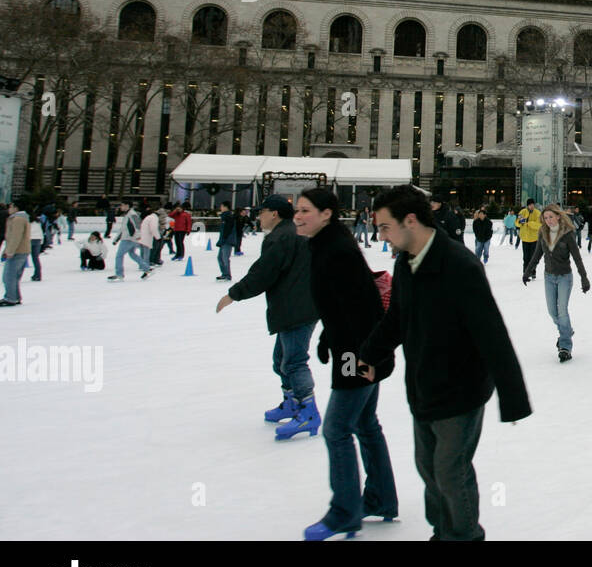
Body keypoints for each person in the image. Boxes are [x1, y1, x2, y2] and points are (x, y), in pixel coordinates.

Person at [360, 184, 531, 541]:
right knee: (429, 471)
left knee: (451, 473)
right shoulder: (406, 261)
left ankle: (464, 536)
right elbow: (396, 318)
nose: (382, 236)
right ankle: (443, 531)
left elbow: (492, 335)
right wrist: (370, 354)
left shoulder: (459, 265)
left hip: (461, 391)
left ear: (410, 220)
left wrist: (513, 398)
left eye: (385, 227)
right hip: (423, 387)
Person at [290, 187, 400, 540]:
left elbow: (362, 305)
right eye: (297, 210)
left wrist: (362, 358)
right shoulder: (329, 244)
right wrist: (327, 336)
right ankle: (381, 499)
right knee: (366, 423)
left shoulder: (335, 250)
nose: (298, 215)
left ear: (326, 214)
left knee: (337, 429)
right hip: (358, 347)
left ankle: (345, 512)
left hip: (358, 353)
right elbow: (345, 302)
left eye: (306, 210)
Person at [215, 193, 320, 434]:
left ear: (274, 213)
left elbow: (263, 273)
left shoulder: (282, 237)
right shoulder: (293, 232)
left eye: (261, 212)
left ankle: (308, 411)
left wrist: (234, 294)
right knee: (281, 361)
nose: (258, 217)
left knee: (293, 362)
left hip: (296, 307)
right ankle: (293, 403)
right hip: (299, 304)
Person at [523, 204, 590, 361]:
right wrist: (527, 272)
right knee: (552, 312)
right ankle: (567, 331)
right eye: (546, 218)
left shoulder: (567, 234)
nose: (549, 220)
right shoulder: (542, 232)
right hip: (549, 277)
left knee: (562, 311)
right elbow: (537, 254)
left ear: (559, 216)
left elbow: (577, 257)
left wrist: (584, 277)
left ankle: (565, 346)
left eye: (551, 217)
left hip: (564, 277)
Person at [107, 201, 151, 281]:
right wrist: (116, 239)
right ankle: (147, 269)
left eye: (122, 205)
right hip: (129, 238)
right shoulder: (127, 214)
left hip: (129, 238)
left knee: (119, 255)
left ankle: (119, 274)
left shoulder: (132, 214)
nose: (121, 207)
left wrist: (138, 236)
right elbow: (123, 229)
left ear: (127, 206)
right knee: (132, 254)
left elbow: (138, 225)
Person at [2, 203, 31, 305]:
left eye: (10, 207)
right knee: (13, 276)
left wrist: (10, 251)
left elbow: (15, 237)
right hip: (21, 250)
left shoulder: (17, 219)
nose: (9, 209)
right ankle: (15, 296)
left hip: (18, 251)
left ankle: (10, 298)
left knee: (8, 276)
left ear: (16, 207)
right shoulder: (21, 218)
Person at [517, 199, 542, 271]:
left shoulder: (538, 213)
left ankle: (533, 271)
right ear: (527, 205)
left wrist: (529, 223)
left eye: (533, 204)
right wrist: (521, 222)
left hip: (534, 239)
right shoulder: (522, 212)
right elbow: (517, 222)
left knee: (533, 257)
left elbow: (539, 225)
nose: (532, 206)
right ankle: (525, 272)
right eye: (530, 205)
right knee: (525, 257)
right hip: (525, 238)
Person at [215, 201, 236, 282]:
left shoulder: (228, 216)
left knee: (225, 258)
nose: (221, 208)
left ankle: (227, 275)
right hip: (224, 240)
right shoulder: (225, 216)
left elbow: (227, 230)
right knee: (220, 257)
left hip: (227, 240)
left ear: (225, 207)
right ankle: (224, 274)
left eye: (221, 206)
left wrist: (223, 239)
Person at [27, 208, 44, 281]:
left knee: (23, 257)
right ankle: (38, 275)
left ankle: (17, 275)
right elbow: (41, 231)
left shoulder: (27, 221)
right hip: (38, 240)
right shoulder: (38, 222)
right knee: (36, 258)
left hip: (29, 239)